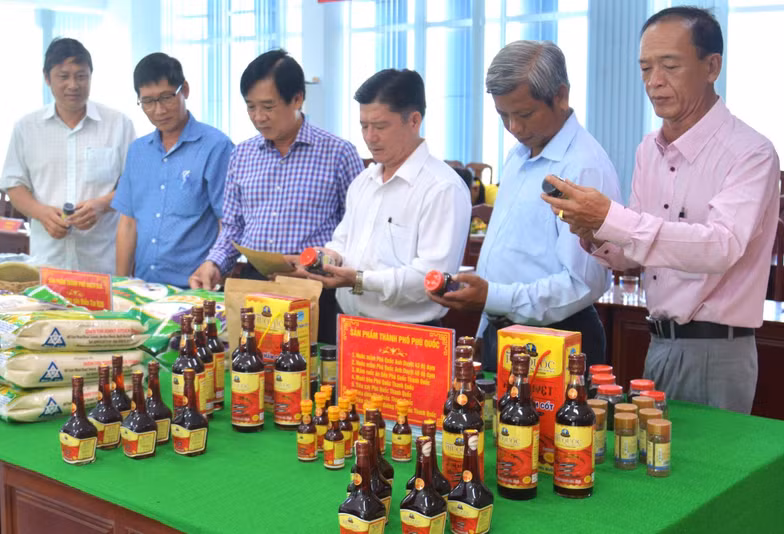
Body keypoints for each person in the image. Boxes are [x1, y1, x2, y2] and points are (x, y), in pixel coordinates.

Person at [542, 7, 780, 414]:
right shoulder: (648, 150)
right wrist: (594, 231)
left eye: (670, 66)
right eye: (645, 67)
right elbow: (637, 250)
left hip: (716, 350)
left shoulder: (751, 153)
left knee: (710, 475)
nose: (654, 82)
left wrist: (613, 219)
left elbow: (720, 247)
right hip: (657, 342)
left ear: (712, 67)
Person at [428, 41, 621, 370]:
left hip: (557, 341)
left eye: (525, 114)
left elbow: (583, 282)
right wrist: (483, 324)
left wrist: (492, 297)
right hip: (502, 332)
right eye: (503, 115)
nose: (514, 128)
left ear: (560, 96)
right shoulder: (519, 155)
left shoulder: (582, 167)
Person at [189, 49, 364, 342]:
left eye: (268, 106)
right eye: (250, 107)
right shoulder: (242, 155)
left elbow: (358, 230)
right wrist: (214, 263)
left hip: (314, 288)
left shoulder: (338, 153)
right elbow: (233, 226)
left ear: (297, 99)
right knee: (250, 368)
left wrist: (318, 262)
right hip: (255, 285)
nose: (258, 117)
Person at [302, 69, 471, 325]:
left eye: (380, 126)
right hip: (350, 325)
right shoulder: (363, 182)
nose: (370, 137)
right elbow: (342, 242)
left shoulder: (442, 188)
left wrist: (359, 280)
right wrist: (328, 258)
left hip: (409, 334)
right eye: (363, 126)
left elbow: (431, 278)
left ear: (414, 121)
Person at [0, 38, 135, 273]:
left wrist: (101, 205)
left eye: (81, 76)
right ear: (47, 78)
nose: (73, 85)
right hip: (47, 263)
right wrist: (41, 213)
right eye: (63, 76)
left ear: (91, 77)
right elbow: (14, 185)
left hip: (103, 263)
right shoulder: (26, 127)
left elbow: (133, 184)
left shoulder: (118, 124)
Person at [111, 53, 233, 288]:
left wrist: (216, 275)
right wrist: (120, 286)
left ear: (184, 89)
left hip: (194, 290)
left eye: (166, 97)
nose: (158, 110)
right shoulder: (138, 151)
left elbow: (226, 223)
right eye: (148, 101)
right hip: (143, 288)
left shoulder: (216, 147)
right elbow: (128, 223)